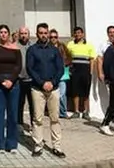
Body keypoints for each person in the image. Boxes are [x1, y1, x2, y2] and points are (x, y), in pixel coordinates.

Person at [26, 22, 66, 158]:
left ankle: (57, 147)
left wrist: (52, 82)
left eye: (45, 33)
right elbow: (30, 69)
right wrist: (42, 83)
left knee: (55, 118)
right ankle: (38, 146)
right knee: (37, 119)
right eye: (41, 33)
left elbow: (60, 68)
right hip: (37, 89)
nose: (43, 35)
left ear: (48, 34)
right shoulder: (32, 50)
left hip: (53, 89)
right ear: (37, 34)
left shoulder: (54, 50)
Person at [0, 24, 22, 153]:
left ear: (8, 34)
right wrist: (2, 81)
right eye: (1, 32)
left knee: (13, 115)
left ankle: (12, 144)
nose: (3, 34)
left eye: (5, 32)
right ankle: (0, 145)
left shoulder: (16, 48)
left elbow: (18, 66)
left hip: (13, 83)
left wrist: (11, 80)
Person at [66, 26, 97, 119]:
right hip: (75, 71)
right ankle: (76, 111)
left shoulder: (89, 45)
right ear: (73, 34)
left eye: (79, 32)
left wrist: (90, 72)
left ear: (82, 34)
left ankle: (86, 112)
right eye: (76, 33)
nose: (77, 34)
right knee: (75, 91)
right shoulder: (70, 44)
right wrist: (69, 69)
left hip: (86, 70)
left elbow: (92, 59)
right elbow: (67, 57)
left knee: (85, 92)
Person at [50, 29, 72, 119]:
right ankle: (54, 112)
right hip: (51, 74)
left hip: (62, 74)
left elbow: (69, 57)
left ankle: (63, 112)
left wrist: (66, 64)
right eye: (51, 37)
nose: (53, 39)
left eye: (55, 37)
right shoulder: (47, 47)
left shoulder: (62, 46)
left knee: (62, 94)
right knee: (52, 95)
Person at [15, 26, 34, 133]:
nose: (23, 35)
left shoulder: (33, 46)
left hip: (31, 80)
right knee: (19, 103)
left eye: (25, 33)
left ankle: (33, 124)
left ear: (29, 34)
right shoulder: (15, 46)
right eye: (21, 33)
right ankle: (19, 124)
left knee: (33, 104)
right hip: (19, 79)